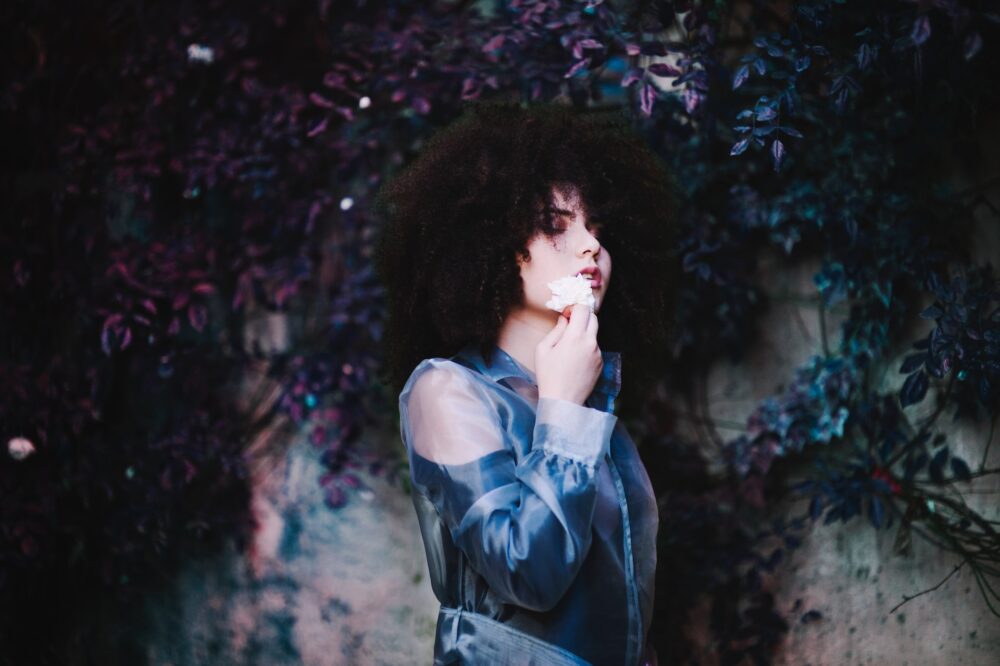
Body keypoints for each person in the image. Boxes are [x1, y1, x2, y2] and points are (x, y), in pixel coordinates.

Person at [374, 101, 678, 665]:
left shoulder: (593, 402)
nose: (590, 245)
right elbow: (529, 573)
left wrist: (571, 402)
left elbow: (623, 607)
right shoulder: (446, 390)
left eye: (597, 228)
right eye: (555, 225)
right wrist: (563, 410)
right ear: (490, 246)